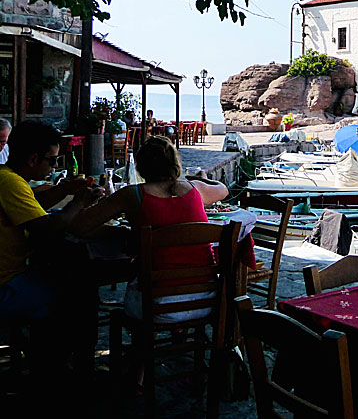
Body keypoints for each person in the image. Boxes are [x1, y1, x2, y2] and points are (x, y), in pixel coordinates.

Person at [76, 136, 228, 322]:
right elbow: (223, 189)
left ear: (141, 167)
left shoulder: (132, 194)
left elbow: (80, 226)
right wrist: (197, 179)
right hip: (205, 300)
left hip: (156, 304)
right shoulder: (195, 189)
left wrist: (85, 202)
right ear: (174, 163)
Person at [0, 120, 104, 380]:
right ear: (34, 159)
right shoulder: (9, 183)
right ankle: (67, 370)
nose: (54, 166)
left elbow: (31, 205)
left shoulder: (8, 177)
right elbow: (47, 229)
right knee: (79, 294)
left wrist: (64, 190)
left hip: (12, 276)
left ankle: (49, 360)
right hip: (5, 286)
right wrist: (80, 202)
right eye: (52, 160)